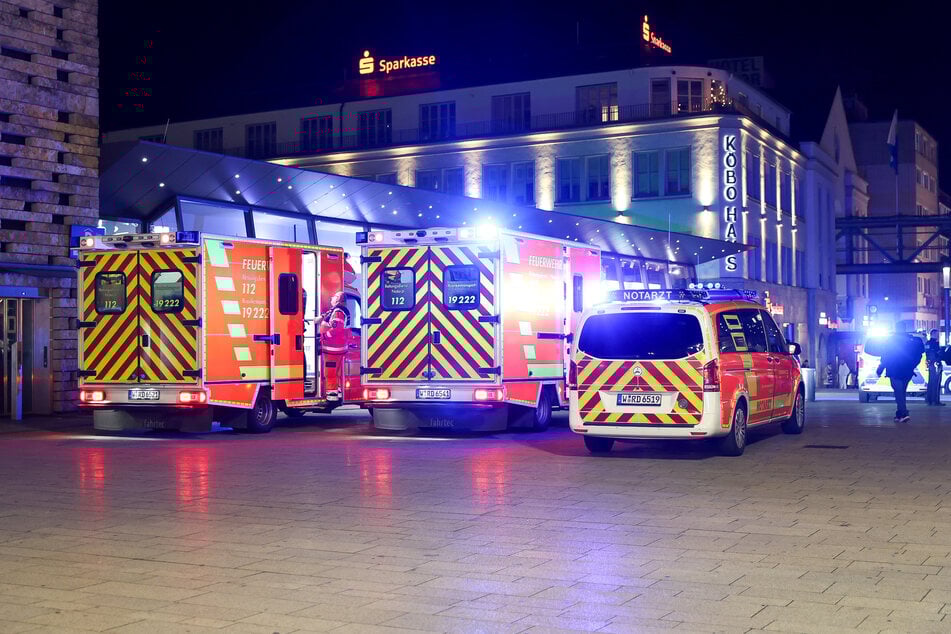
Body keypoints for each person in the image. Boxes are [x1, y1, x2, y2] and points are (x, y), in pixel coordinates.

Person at [877, 332, 925, 423]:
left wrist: (880, 370)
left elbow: (885, 357)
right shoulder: (911, 341)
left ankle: (903, 414)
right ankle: (900, 413)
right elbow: (919, 356)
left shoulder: (891, 341)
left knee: (899, 393)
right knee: (902, 392)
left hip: (894, 370)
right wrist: (912, 366)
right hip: (907, 371)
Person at [925, 329, 945, 406]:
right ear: (933, 334)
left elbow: (928, 354)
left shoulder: (928, 343)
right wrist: (937, 362)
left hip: (931, 365)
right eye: (937, 334)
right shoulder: (935, 344)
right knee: (936, 383)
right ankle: (935, 401)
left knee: (931, 382)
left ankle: (929, 400)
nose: (938, 336)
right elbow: (936, 355)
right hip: (936, 365)